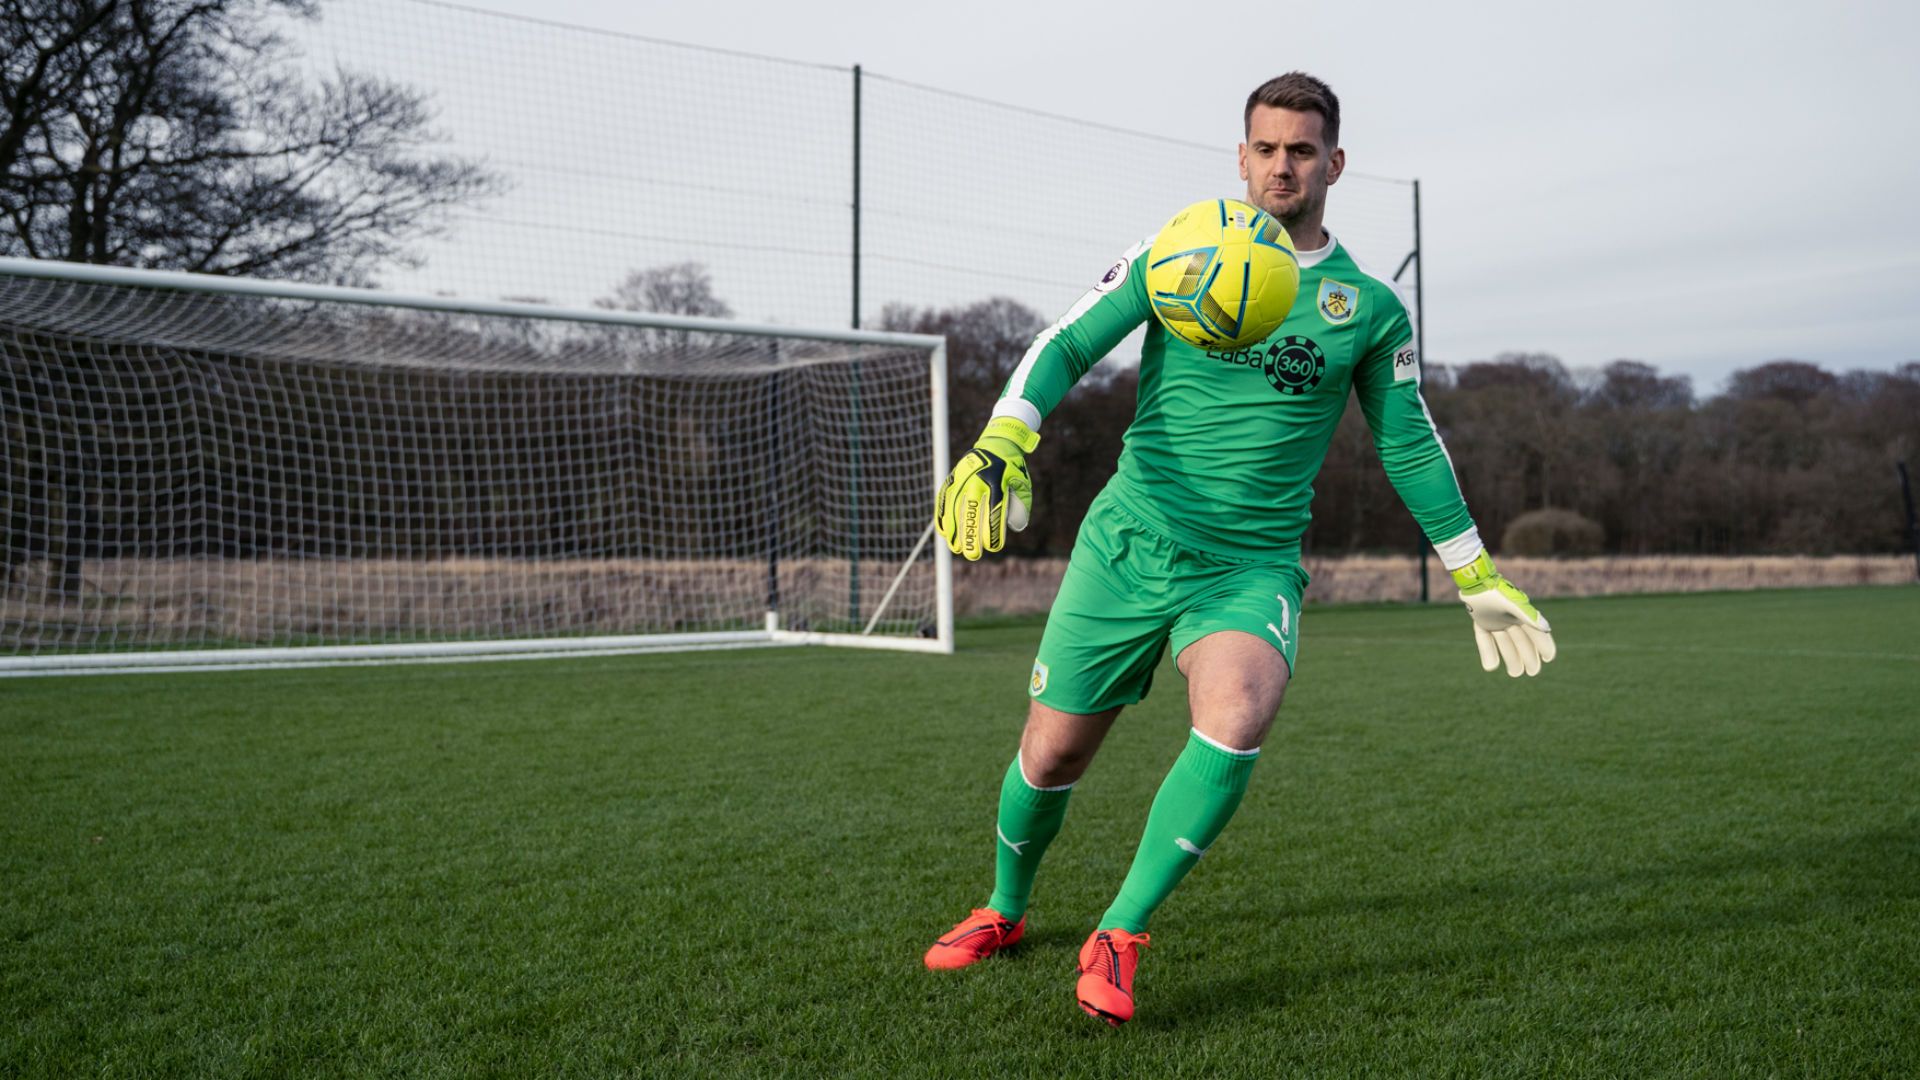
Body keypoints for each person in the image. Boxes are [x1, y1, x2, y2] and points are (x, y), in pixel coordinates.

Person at [922, 72, 1557, 1026]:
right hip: (1130, 542)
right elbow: (1063, 344)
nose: (1282, 166)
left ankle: (1121, 931)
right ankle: (1005, 909)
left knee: (1239, 710)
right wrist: (1007, 433)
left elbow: (1408, 439)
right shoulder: (1181, 250)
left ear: (1334, 163)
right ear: (1241, 155)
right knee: (1050, 757)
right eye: (1265, 148)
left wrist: (1473, 569)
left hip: (1249, 565)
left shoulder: (1368, 308)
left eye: (1302, 150)